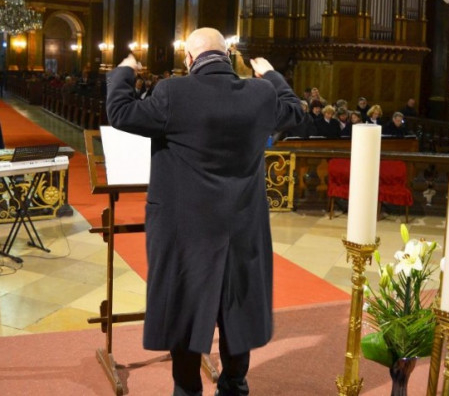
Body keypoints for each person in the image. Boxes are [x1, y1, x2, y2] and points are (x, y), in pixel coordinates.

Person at [105, 27, 303, 396]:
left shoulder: (173, 92)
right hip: (242, 225)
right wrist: (272, 74)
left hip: (186, 230)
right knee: (237, 310)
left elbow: (120, 112)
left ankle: (187, 389)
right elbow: (294, 111)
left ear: (188, 59)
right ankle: (234, 385)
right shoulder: (260, 93)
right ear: (228, 56)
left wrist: (125, 71)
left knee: (184, 309)